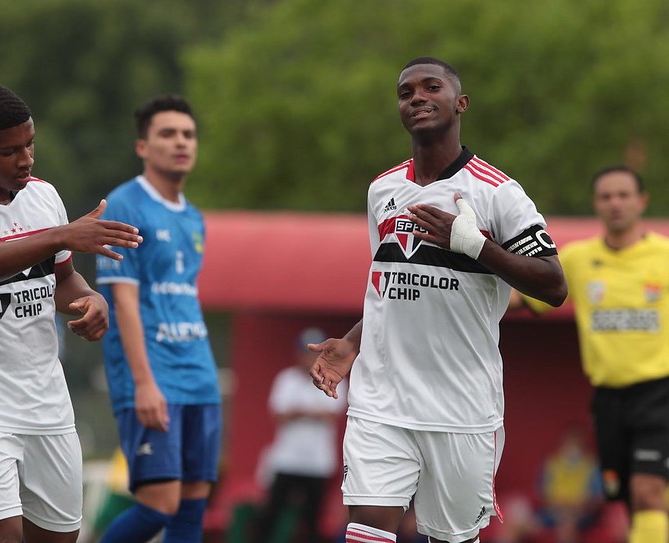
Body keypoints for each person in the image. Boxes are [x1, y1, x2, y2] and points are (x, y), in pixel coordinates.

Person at [308, 56, 568, 543]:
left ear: (460, 103)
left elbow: (554, 286)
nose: (418, 98)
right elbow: (389, 285)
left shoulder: (498, 194)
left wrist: (475, 244)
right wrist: (352, 342)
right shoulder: (382, 189)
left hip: (463, 407)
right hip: (381, 399)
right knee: (366, 533)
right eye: (406, 93)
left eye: (431, 88)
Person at [0, 82, 142, 543]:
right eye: (9, 150)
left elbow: (61, 281)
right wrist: (61, 236)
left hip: (46, 402)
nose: (26, 159)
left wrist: (89, 300)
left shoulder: (43, 197)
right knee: (1, 535)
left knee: (60, 536)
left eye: (30, 144)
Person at [510, 165, 669, 543]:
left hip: (660, 393)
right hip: (609, 399)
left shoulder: (664, 255)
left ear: (641, 201)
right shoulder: (579, 259)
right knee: (630, 497)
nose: (615, 203)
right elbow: (522, 299)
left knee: (648, 490)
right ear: (596, 204)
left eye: (623, 195)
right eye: (606, 196)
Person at [96, 95, 221, 543]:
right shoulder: (124, 205)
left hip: (200, 377)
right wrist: (144, 382)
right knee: (158, 506)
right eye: (167, 134)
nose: (180, 142)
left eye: (188, 134)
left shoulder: (193, 217)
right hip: (153, 379)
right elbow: (123, 303)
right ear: (143, 147)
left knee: (190, 509)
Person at [252, 327, 348, 543]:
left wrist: (298, 411)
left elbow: (328, 415)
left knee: (312, 521)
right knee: (271, 516)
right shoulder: (286, 379)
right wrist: (310, 412)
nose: (309, 358)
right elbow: (280, 414)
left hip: (318, 462)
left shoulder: (334, 377)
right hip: (286, 459)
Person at [536, 425, 603, 543]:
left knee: (567, 526)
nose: (572, 447)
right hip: (554, 511)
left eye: (576, 443)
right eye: (569, 443)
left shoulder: (592, 465)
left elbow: (597, 499)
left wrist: (576, 508)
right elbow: (542, 495)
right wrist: (559, 507)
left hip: (581, 514)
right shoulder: (552, 463)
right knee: (516, 521)